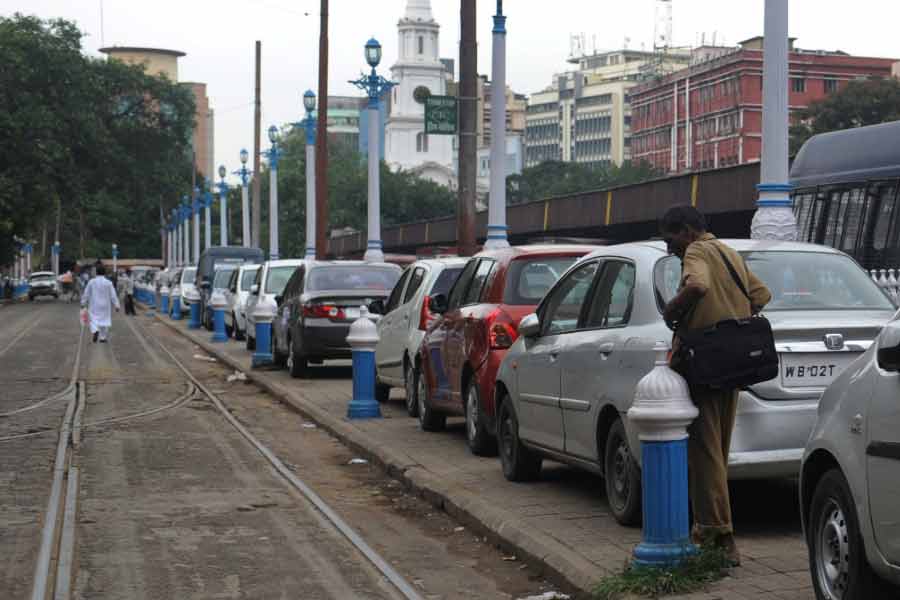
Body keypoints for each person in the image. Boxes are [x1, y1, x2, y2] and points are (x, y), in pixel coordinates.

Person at [659, 205, 771, 566]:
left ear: (687, 231)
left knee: (705, 453)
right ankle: (715, 534)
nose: (669, 248)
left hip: (706, 365)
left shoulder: (696, 251)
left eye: (670, 239)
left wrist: (672, 311)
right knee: (718, 450)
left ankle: (717, 535)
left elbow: (698, 284)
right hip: (734, 364)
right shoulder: (729, 252)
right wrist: (729, 315)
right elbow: (761, 295)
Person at [81, 264, 120, 343]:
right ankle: (103, 338)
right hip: (105, 305)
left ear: (96, 273)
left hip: (94, 304)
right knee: (104, 320)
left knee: (93, 319)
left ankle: (95, 330)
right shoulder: (109, 283)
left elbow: (86, 293)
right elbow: (113, 295)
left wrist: (83, 302)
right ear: (104, 273)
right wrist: (117, 305)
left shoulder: (91, 282)